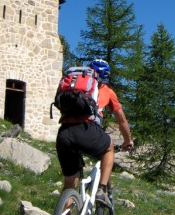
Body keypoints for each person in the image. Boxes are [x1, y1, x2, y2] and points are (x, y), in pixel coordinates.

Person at [55, 58, 134, 206]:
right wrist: (128, 140)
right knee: (108, 147)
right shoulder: (108, 92)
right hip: (87, 129)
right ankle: (102, 190)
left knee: (69, 184)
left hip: (64, 132)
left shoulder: (74, 85)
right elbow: (121, 120)